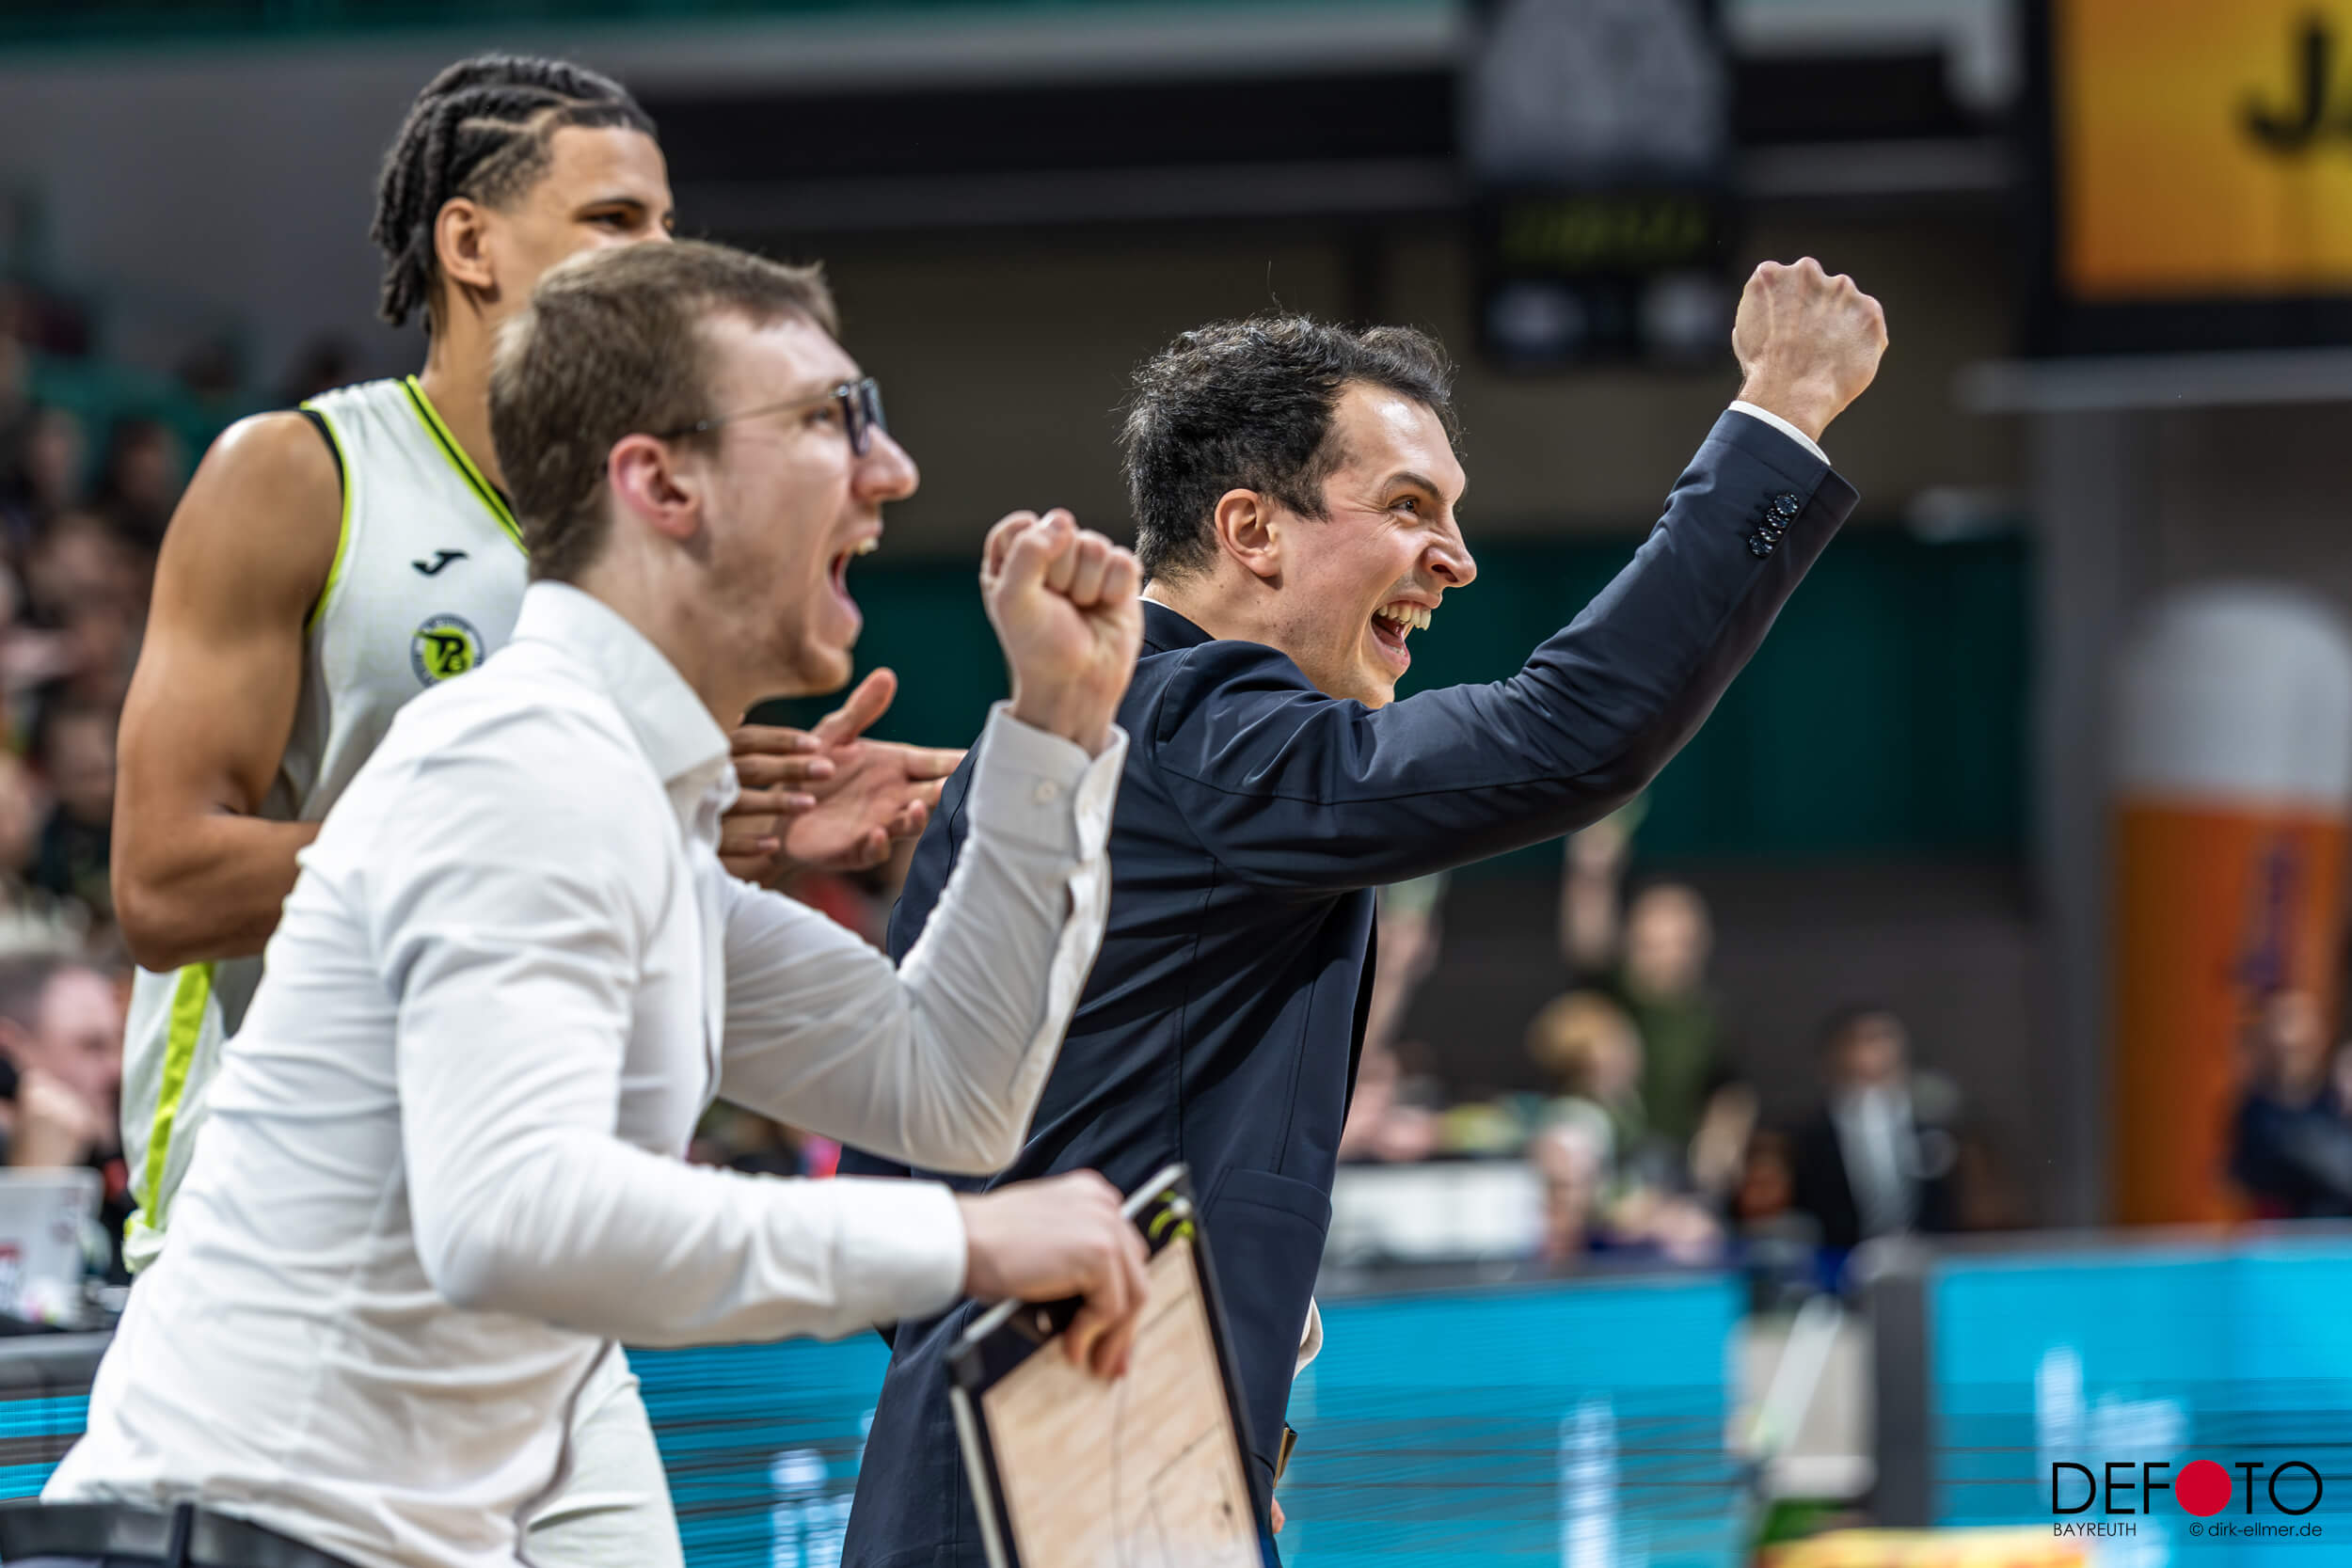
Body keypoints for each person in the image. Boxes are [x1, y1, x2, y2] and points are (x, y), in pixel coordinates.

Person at [33, 239, 1152, 1568]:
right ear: (660, 483)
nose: (891, 469)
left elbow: (947, 1087)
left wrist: (1054, 738)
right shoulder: (526, 762)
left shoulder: (618, 798)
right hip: (238, 1541)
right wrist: (962, 1238)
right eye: (829, 418)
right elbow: (519, 1216)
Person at [840, 257, 1887, 1563]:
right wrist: (1778, 416)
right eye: (1407, 506)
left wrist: (1170, 1377)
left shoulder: (1063, 749)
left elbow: (895, 1178)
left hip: (1044, 1478)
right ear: (1251, 529)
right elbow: (1574, 730)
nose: (1456, 558)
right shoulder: (1202, 729)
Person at [103, 56, 955, 1568]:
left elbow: (631, 872)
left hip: (546, 1218)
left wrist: (707, 818)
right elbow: (162, 883)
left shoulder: (648, 527)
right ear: (469, 243)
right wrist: (594, 813)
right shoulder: (300, 473)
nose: (659, 252)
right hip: (296, 1235)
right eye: (614, 216)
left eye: (669, 221)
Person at [1788, 1005, 1961, 1254]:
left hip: (1921, 1257)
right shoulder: (1809, 1136)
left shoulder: (1930, 1121)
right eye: (1862, 1039)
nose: (1874, 1051)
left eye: (1884, 1038)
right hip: (1841, 1259)